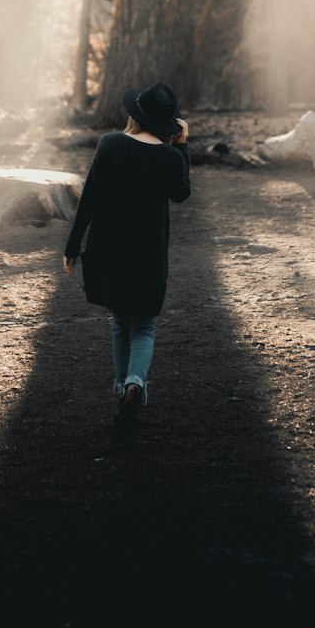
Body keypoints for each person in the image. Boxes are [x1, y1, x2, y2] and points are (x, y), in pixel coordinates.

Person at [63, 82, 191, 433]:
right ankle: (136, 382)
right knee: (144, 326)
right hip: (149, 255)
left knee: (120, 322)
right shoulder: (168, 157)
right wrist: (182, 147)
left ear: (134, 116)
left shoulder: (111, 145)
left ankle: (121, 388)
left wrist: (73, 245)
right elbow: (182, 193)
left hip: (111, 251)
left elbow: (88, 199)